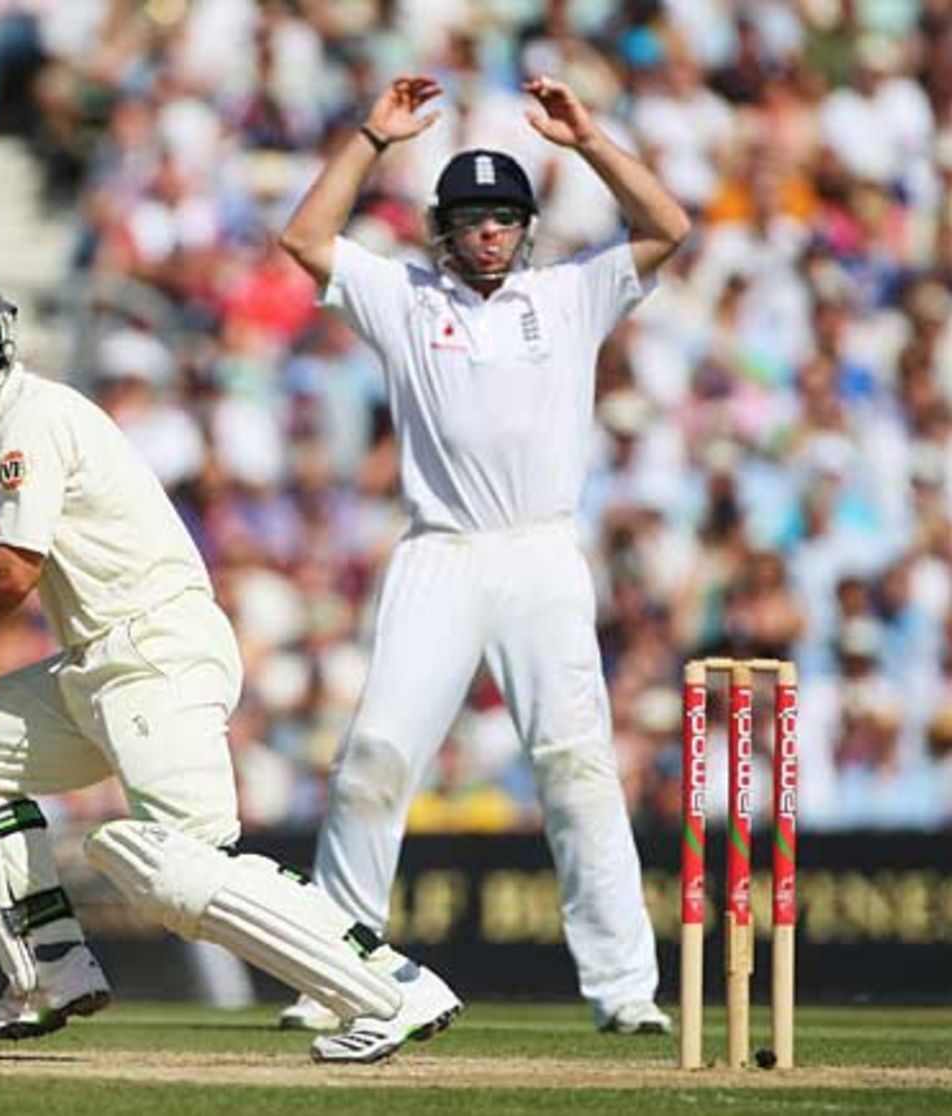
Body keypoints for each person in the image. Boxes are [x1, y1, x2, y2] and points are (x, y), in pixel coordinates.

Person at [0, 261, 462, 1062]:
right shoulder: (26, 424)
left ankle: (390, 989)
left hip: (153, 655)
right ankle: (50, 971)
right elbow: (29, 557)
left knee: (172, 865)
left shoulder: (33, 418)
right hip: (95, 668)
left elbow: (14, 573)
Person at [277, 74, 690, 1034]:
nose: (490, 233)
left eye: (505, 217)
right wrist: (371, 137)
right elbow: (303, 240)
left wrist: (589, 138)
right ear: (443, 229)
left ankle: (626, 991)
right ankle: (335, 973)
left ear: (527, 226)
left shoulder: (571, 293)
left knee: (577, 764)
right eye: (471, 219)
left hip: (541, 554)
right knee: (375, 755)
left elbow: (669, 227)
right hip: (442, 554)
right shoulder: (404, 299)